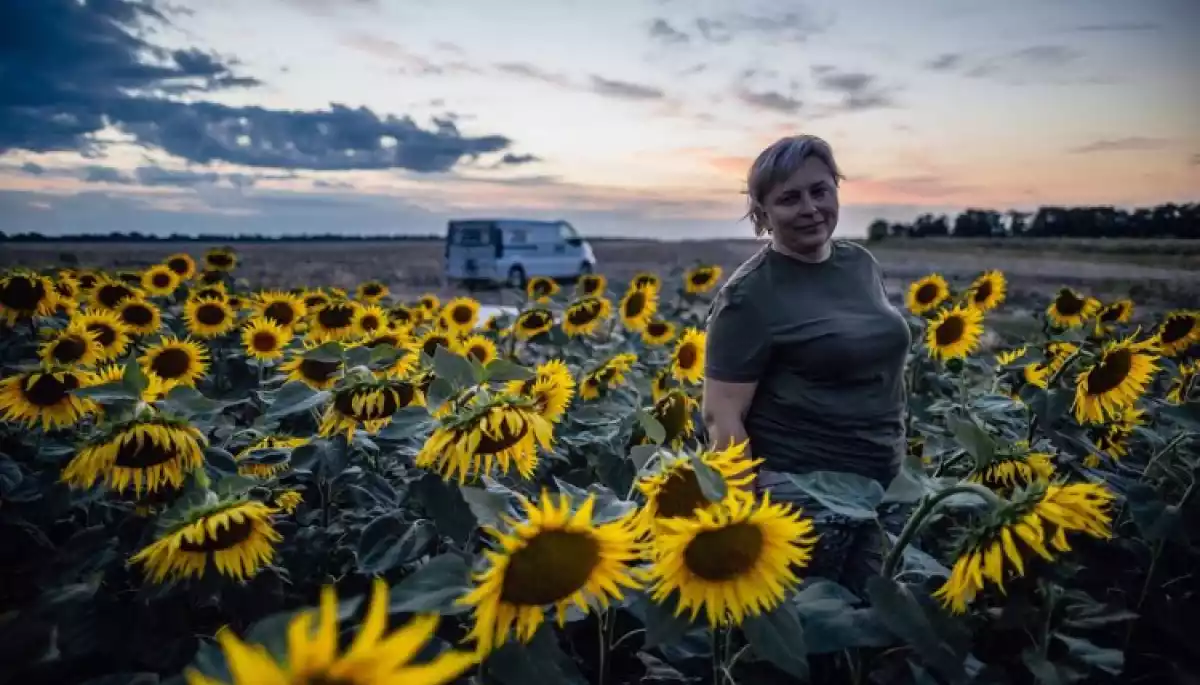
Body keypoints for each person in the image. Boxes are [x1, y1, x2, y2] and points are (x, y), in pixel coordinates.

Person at [701, 134, 912, 596]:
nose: (811, 208)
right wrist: (742, 521)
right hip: (804, 495)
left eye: (820, 190)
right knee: (813, 636)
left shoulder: (859, 263)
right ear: (762, 214)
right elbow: (723, 415)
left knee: (869, 634)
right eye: (789, 198)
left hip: (884, 483)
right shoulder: (750, 294)